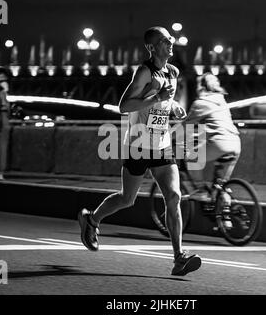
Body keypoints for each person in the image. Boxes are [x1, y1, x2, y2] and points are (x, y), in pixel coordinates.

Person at [78, 26, 202, 276]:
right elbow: (124, 106)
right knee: (128, 198)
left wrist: (174, 106)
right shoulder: (145, 72)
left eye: (171, 40)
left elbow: (165, 100)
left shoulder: (174, 72)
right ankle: (91, 219)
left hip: (162, 144)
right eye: (165, 41)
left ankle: (179, 258)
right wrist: (157, 99)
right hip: (138, 144)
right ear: (152, 47)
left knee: (174, 196)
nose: (170, 44)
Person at [182, 72, 241, 203]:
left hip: (220, 143)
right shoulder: (222, 101)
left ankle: (201, 191)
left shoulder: (200, 103)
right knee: (219, 187)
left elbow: (185, 126)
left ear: (200, 87)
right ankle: (225, 219)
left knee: (192, 157)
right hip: (235, 143)